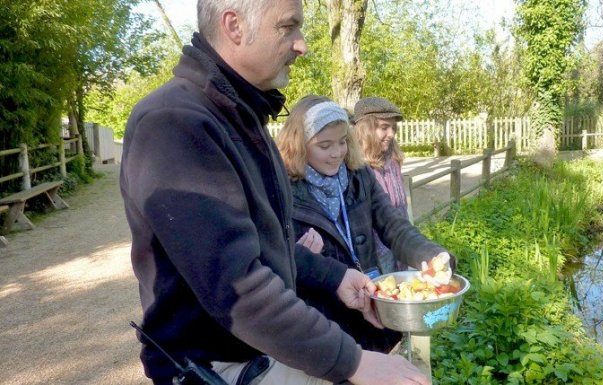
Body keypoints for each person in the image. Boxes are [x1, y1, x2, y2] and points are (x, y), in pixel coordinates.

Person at [119, 1, 431, 384]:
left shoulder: (243, 119)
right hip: (220, 368)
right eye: (288, 27)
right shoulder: (176, 123)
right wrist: (354, 361)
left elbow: (269, 247)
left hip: (263, 352)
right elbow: (238, 286)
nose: (302, 45)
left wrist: (335, 276)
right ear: (234, 26)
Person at [276, 95, 453, 353]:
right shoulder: (283, 191)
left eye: (342, 142)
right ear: (299, 144)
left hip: (371, 306)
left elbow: (394, 225)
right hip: (324, 321)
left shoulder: (359, 176)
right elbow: (273, 258)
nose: (336, 153)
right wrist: (301, 258)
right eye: (324, 145)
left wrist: (433, 256)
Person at [353, 97, 409, 273]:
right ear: (366, 129)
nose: (391, 134)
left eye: (393, 128)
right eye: (384, 127)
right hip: (374, 252)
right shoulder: (356, 168)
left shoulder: (393, 161)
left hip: (399, 243)